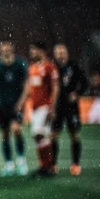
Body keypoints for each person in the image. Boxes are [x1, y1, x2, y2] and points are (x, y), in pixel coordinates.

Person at [0, 40, 29, 177]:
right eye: (3, 47)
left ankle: (21, 161)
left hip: (16, 105)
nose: (6, 49)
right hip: (2, 106)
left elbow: (26, 86)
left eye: (8, 47)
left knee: (17, 130)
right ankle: (9, 164)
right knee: (4, 134)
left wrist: (21, 103)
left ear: (12, 48)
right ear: (0, 49)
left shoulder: (20, 64)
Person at [50, 43, 87, 176]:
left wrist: (76, 94)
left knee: (75, 135)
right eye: (58, 52)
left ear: (67, 53)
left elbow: (85, 83)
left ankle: (76, 164)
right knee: (53, 136)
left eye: (62, 52)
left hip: (72, 108)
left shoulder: (74, 66)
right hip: (57, 107)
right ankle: (53, 164)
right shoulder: (51, 67)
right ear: (55, 54)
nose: (60, 54)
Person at [27, 41, 60, 177]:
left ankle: (47, 166)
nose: (32, 53)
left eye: (34, 50)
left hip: (45, 106)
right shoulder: (33, 67)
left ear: (42, 51)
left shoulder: (49, 67)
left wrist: (52, 106)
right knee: (39, 137)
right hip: (35, 107)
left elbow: (56, 87)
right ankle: (45, 166)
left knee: (38, 134)